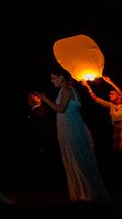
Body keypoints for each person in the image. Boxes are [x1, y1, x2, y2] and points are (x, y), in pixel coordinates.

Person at [33, 67, 110, 202]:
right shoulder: (65, 90)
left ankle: (88, 192)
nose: (52, 81)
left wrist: (44, 99)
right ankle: (82, 190)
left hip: (70, 126)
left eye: (53, 78)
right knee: (73, 156)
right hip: (68, 125)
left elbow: (61, 109)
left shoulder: (67, 90)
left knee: (77, 157)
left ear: (61, 77)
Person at [22, 91, 61, 190]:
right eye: (31, 96)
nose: (34, 97)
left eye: (36, 96)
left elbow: (42, 129)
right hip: (36, 143)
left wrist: (40, 143)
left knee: (45, 164)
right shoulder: (33, 111)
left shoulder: (41, 111)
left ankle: (48, 186)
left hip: (43, 143)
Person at [81, 76, 122, 153]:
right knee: (119, 150)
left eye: (112, 93)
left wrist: (110, 82)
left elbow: (120, 93)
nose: (109, 95)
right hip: (117, 129)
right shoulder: (111, 105)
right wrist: (87, 86)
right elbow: (95, 99)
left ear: (119, 96)